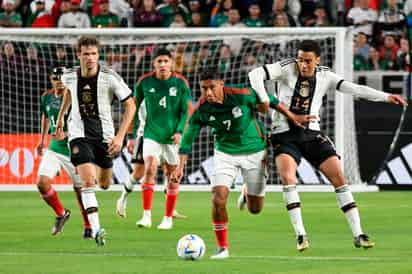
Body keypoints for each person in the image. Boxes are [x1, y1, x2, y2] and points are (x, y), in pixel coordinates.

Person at [248, 39, 408, 252]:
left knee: (339, 178)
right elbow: (254, 74)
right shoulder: (286, 68)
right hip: (284, 134)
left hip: (312, 134)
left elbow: (355, 89)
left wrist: (386, 97)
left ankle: (358, 234)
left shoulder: (325, 75)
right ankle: (301, 235)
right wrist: (263, 98)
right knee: (288, 178)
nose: (303, 65)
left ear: (317, 60)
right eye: (300, 60)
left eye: (308, 61)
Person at [171, 69, 313, 259]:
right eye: (204, 89)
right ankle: (222, 248)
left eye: (212, 87)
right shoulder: (202, 109)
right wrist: (180, 167)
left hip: (255, 152)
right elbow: (187, 139)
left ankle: (247, 192)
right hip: (224, 154)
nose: (208, 93)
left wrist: (292, 116)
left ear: (221, 84)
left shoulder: (242, 95)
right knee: (218, 198)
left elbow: (270, 99)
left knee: (255, 209)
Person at [55, 36, 136, 246]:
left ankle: (97, 212)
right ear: (78, 55)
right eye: (86, 54)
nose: (90, 58)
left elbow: (131, 106)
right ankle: (97, 229)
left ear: (98, 55)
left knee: (105, 184)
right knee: (87, 181)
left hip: (105, 137)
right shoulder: (69, 75)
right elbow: (68, 94)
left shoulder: (110, 77)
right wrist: (61, 118)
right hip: (78, 134)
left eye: (93, 54)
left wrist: (120, 136)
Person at [130, 48, 192, 230]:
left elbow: (185, 111)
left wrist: (180, 131)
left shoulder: (180, 82)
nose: (163, 64)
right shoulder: (144, 82)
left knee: (172, 175)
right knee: (150, 168)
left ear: (172, 63)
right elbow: (133, 109)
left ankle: (167, 218)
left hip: (173, 137)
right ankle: (146, 216)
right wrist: (133, 136)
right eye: (159, 61)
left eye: (166, 61)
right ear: (154, 64)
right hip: (151, 134)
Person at [36, 67, 92, 238]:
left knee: (80, 190)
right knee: (42, 183)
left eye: (61, 77)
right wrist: (42, 139)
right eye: (55, 77)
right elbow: (46, 117)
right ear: (50, 79)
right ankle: (61, 214)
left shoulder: (75, 97)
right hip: (54, 149)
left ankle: (88, 225)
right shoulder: (46, 97)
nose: (58, 80)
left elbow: (87, 122)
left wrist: (66, 134)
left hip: (74, 149)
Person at [115, 100, 186, 219]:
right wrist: (131, 137)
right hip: (146, 136)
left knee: (170, 173)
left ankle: (171, 209)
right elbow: (131, 112)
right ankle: (123, 198)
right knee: (138, 173)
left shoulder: (173, 89)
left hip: (168, 137)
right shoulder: (144, 88)